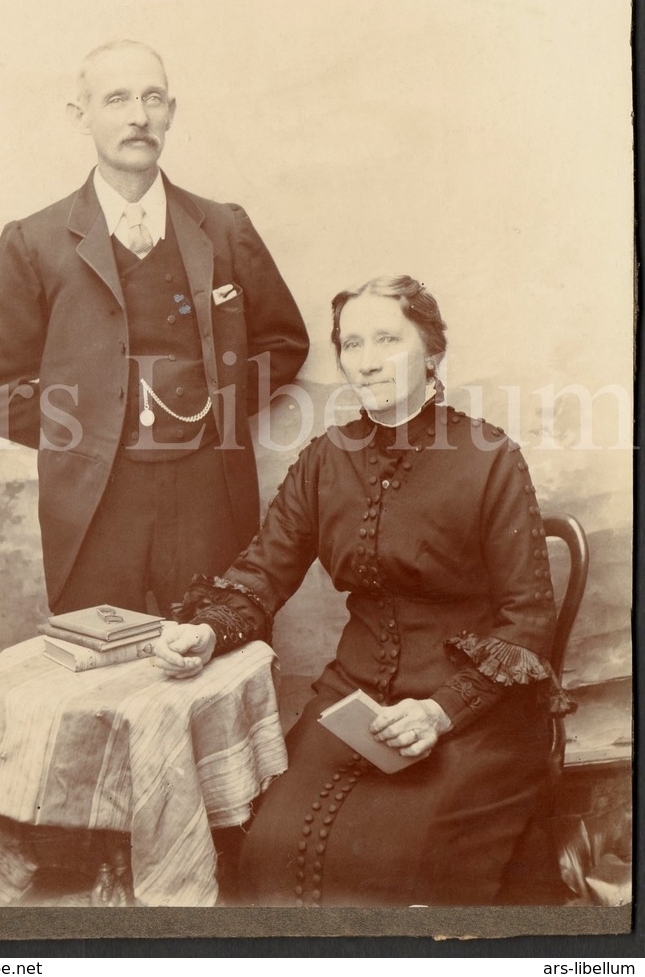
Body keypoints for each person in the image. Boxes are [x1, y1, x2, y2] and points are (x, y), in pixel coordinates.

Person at [153, 274, 569, 906]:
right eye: (352, 344)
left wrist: (440, 711)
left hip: (472, 711)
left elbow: (528, 619)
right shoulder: (328, 458)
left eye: (387, 339)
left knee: (398, 858)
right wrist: (206, 630)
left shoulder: (490, 457)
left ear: (432, 351)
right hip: (354, 698)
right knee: (268, 848)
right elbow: (263, 570)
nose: (367, 360)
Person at [0, 39, 309, 616]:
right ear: (82, 116)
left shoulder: (224, 226)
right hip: (95, 504)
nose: (138, 116)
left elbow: (285, 342)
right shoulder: (33, 241)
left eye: (152, 99)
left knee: (215, 656)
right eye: (117, 99)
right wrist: (84, 434)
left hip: (210, 497)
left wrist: (211, 406)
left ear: (171, 111)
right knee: (99, 675)